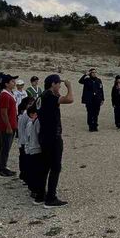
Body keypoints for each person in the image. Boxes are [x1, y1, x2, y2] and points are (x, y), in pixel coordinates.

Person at [38, 74, 74, 208]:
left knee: (45, 166)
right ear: (53, 84)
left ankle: (40, 195)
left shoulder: (41, 96)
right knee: (55, 167)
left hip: (44, 135)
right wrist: (69, 86)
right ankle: (51, 198)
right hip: (52, 136)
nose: (60, 86)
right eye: (58, 84)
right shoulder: (50, 96)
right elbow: (70, 99)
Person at [0, 74, 19, 177]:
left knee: (7, 147)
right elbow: (3, 112)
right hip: (7, 126)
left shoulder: (10, 93)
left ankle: (4, 166)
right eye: (12, 82)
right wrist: (8, 126)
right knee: (5, 147)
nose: (14, 83)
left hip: (12, 124)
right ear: (6, 84)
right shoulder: (4, 95)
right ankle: (2, 168)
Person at [24, 102, 43, 204]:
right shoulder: (32, 123)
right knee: (37, 171)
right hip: (34, 149)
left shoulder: (32, 123)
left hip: (31, 149)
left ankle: (35, 189)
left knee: (34, 171)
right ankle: (36, 190)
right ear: (32, 114)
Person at [79, 68, 104, 132]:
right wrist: (85, 75)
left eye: (95, 72)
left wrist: (102, 99)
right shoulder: (87, 80)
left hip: (97, 99)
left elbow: (101, 90)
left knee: (96, 113)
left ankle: (95, 126)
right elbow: (80, 81)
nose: (94, 73)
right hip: (89, 100)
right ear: (90, 73)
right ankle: (90, 126)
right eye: (93, 72)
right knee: (90, 113)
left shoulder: (99, 80)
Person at [17, 96, 34, 185]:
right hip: (24, 141)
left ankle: (24, 176)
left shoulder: (24, 114)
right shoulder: (26, 114)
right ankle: (25, 177)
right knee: (25, 161)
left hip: (23, 141)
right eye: (30, 104)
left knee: (24, 160)